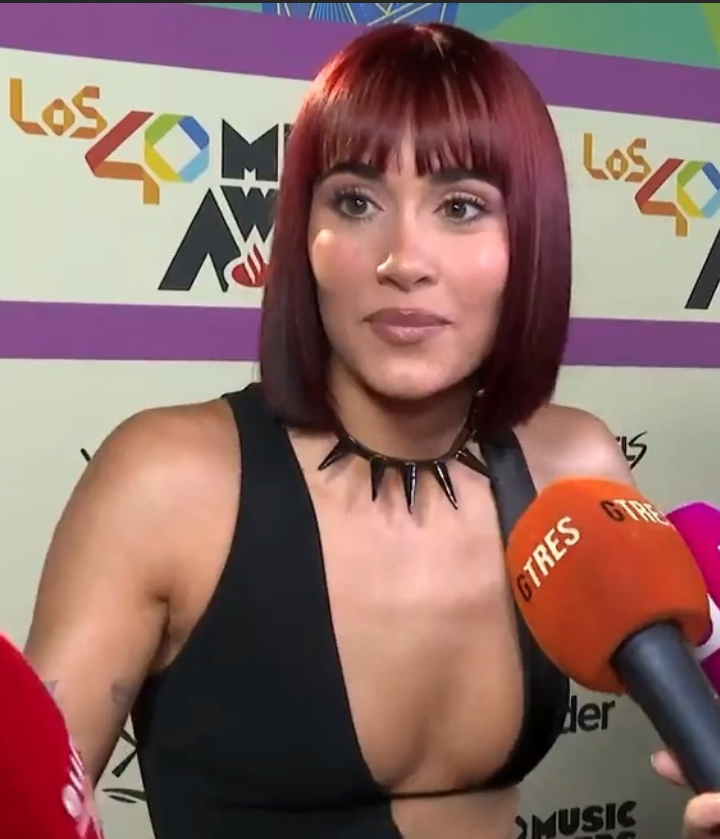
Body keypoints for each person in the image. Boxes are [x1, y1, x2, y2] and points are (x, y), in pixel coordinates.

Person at [22, 21, 719, 839]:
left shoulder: (576, 464)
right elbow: (30, 809)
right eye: (356, 201)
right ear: (303, 237)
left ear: (529, 238)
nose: (404, 259)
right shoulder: (166, 481)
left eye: (461, 206)